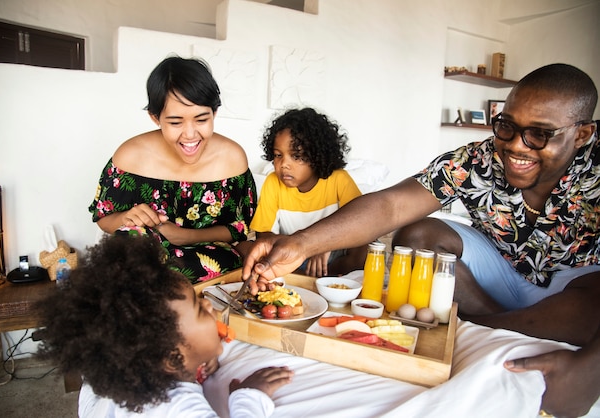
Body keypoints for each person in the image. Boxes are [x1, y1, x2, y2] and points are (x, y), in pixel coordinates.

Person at [242, 63, 600, 417]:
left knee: (589, 310)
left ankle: (489, 324)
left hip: (575, 282)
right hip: (502, 268)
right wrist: (302, 243)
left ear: (581, 134)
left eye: (539, 133)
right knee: (417, 235)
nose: (515, 146)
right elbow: (391, 205)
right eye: (506, 126)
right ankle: (497, 322)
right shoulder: (478, 158)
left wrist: (590, 369)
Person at [36, 235, 293, 417]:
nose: (208, 306)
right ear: (172, 357)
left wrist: (192, 363)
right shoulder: (175, 405)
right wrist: (249, 396)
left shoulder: (121, 374)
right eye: (197, 307)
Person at [88, 56, 256, 284]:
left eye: (201, 119)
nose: (189, 134)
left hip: (210, 260)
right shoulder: (130, 156)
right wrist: (127, 217)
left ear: (214, 113)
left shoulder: (233, 158)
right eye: (176, 122)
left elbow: (237, 229)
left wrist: (186, 236)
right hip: (148, 262)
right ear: (155, 118)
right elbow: (104, 219)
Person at [250, 107, 367, 277]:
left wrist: (324, 244)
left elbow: (360, 223)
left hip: (334, 254)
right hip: (292, 256)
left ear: (317, 156)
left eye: (296, 156)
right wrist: (304, 247)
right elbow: (264, 237)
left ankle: (324, 279)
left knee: (367, 248)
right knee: (251, 249)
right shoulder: (273, 182)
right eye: (278, 155)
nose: (284, 164)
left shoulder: (339, 179)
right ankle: (305, 279)